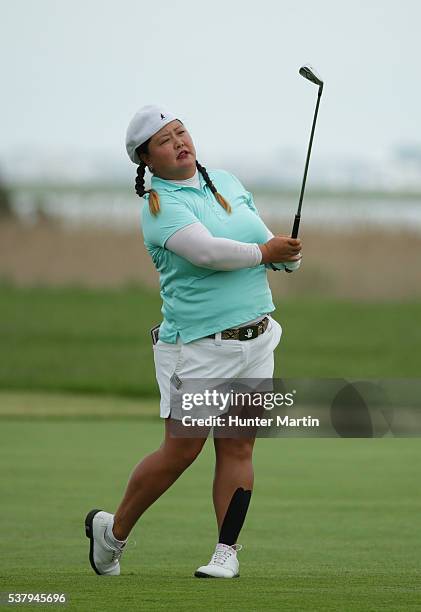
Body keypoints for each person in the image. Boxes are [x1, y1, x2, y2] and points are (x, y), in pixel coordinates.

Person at [85, 105, 302, 578]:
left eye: (181, 132)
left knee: (239, 447)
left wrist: (284, 255)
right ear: (147, 158)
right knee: (182, 450)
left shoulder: (225, 180)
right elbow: (207, 253)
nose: (179, 142)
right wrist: (265, 253)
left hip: (257, 338)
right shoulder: (159, 207)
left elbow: (258, 236)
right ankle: (113, 532)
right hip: (198, 346)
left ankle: (226, 553)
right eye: (165, 140)